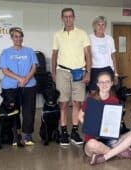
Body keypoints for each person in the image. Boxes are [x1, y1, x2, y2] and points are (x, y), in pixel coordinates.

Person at [78, 72, 131, 165]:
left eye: (107, 82)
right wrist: (89, 127)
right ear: (97, 84)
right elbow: (80, 116)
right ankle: (118, 152)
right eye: (101, 82)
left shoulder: (115, 100)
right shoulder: (91, 99)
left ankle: (105, 156)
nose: (104, 84)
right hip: (94, 140)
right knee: (91, 144)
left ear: (111, 83)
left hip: (110, 140)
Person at [51, 8, 92, 146]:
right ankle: (63, 132)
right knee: (62, 103)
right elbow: (54, 55)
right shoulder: (57, 35)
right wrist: (53, 72)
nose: (68, 19)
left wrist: (88, 72)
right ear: (62, 18)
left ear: (74, 17)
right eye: (65, 17)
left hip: (79, 72)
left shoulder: (82, 34)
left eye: (70, 17)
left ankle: (74, 132)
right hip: (62, 71)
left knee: (77, 103)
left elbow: (88, 55)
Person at [0, 27, 38, 145]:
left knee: (28, 110)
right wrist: (19, 78)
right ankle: (15, 134)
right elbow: (4, 70)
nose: (18, 39)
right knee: (13, 111)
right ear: (11, 38)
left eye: (20, 36)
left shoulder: (29, 51)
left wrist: (26, 78)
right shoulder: (6, 52)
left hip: (29, 84)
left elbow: (34, 67)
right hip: (11, 86)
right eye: (16, 36)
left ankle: (28, 135)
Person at [89, 16, 118, 94]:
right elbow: (86, 56)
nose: (101, 27)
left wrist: (116, 73)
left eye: (103, 25)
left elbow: (113, 57)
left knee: (108, 93)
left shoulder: (110, 39)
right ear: (94, 26)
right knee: (94, 93)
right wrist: (86, 72)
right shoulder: (89, 38)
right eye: (99, 24)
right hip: (94, 69)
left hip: (108, 69)